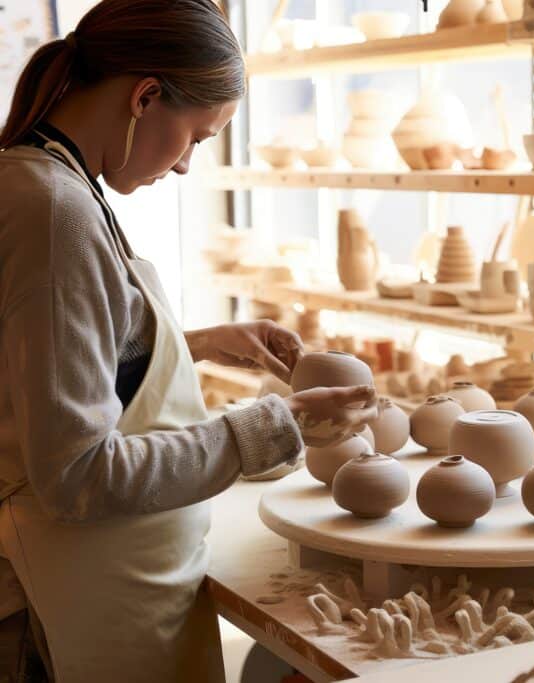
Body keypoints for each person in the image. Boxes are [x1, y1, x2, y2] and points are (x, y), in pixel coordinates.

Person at [0, 1, 377, 680]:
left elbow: (47, 360)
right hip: (58, 614)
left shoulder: (51, 181)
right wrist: (264, 428)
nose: (184, 168)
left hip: (100, 584)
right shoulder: (54, 210)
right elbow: (76, 475)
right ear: (145, 96)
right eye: (199, 137)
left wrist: (192, 342)